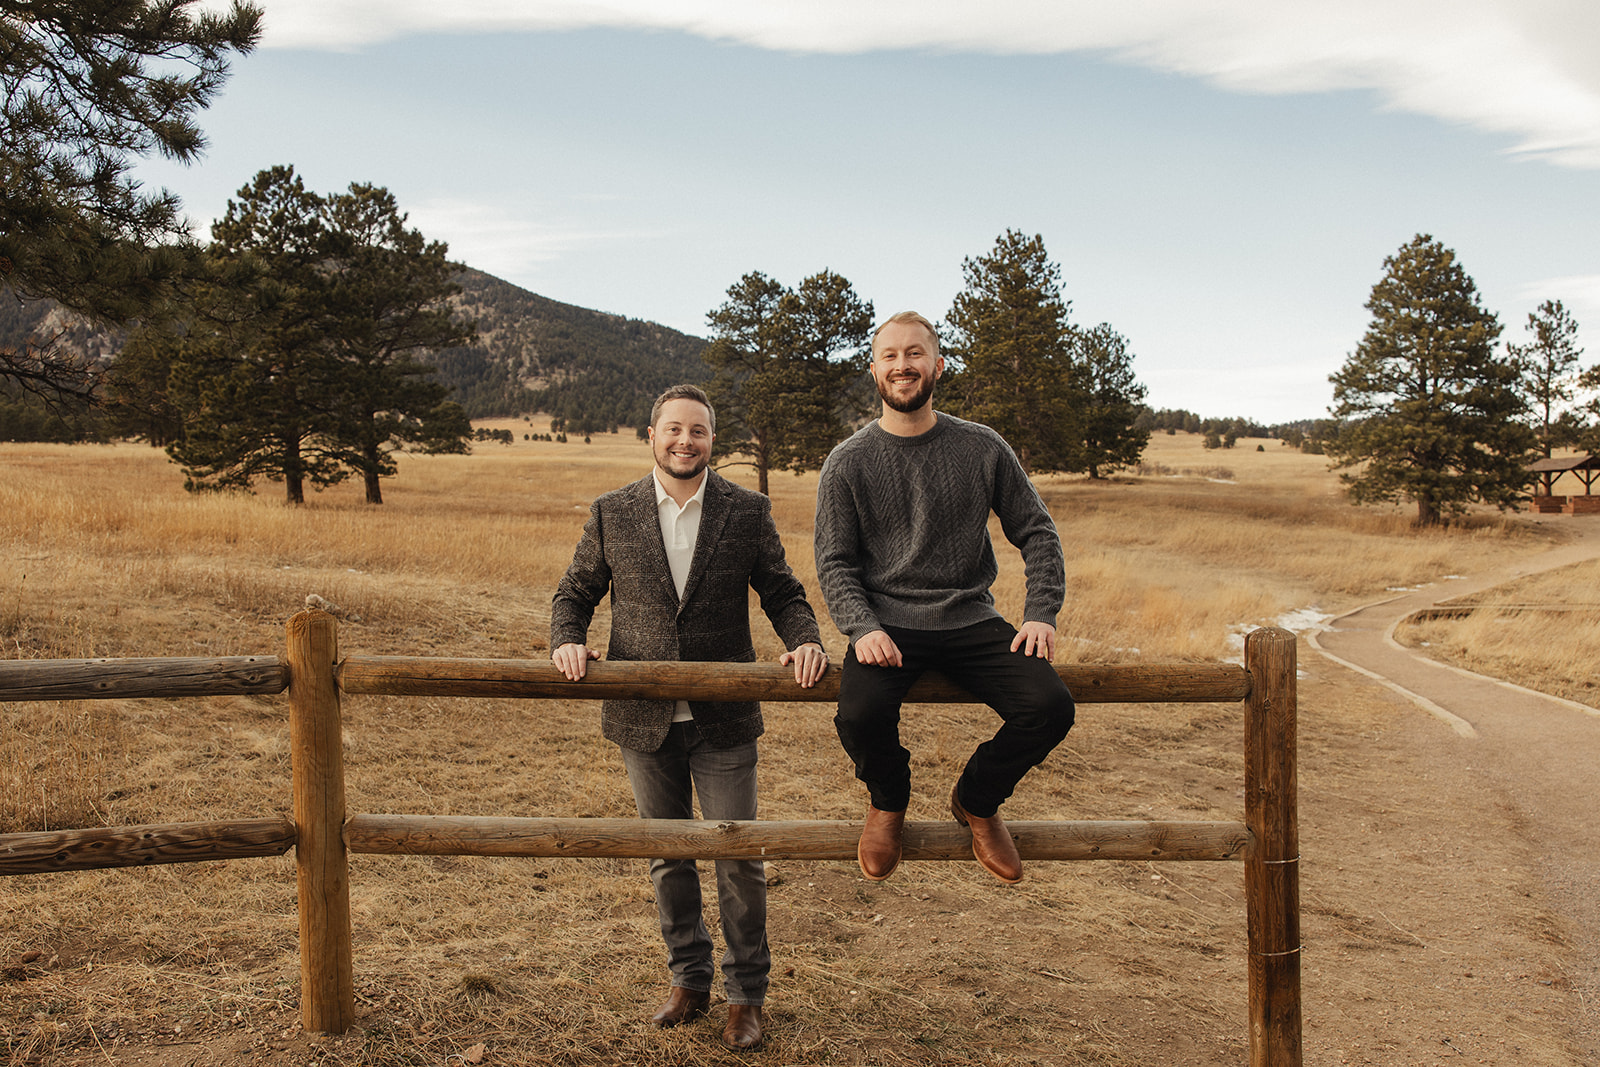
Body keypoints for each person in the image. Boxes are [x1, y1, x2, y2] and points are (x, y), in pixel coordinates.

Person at [551, 383, 826, 1051]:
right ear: (652, 435)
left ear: (712, 440)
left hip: (724, 716)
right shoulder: (612, 511)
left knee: (738, 857)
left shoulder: (747, 510)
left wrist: (806, 639)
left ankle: (745, 996)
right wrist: (567, 638)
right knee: (668, 857)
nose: (685, 441)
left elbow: (783, 590)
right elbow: (575, 591)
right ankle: (689, 979)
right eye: (673, 429)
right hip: (642, 718)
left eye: (697, 430)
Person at [813, 311, 1075, 886]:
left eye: (915, 353)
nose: (902, 365)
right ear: (874, 369)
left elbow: (1037, 531)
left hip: (970, 617)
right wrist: (862, 627)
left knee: (1050, 706)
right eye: (890, 355)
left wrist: (1040, 612)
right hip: (886, 624)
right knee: (859, 714)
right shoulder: (848, 461)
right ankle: (888, 802)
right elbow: (834, 561)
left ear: (937, 364)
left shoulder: (982, 446)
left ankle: (977, 800)